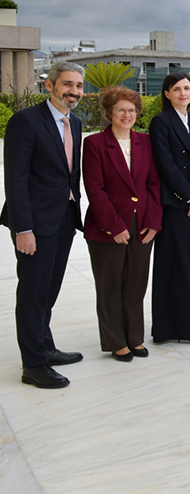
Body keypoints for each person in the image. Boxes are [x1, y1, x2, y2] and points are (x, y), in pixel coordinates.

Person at [1, 62, 86, 388]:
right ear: (48, 85)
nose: (74, 92)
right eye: (67, 84)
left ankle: (45, 346)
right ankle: (33, 365)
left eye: (78, 86)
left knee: (49, 291)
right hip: (34, 224)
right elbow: (16, 179)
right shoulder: (25, 122)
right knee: (33, 294)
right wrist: (23, 229)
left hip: (63, 219)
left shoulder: (74, 123)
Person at [82, 86, 162, 361]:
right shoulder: (94, 144)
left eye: (131, 110)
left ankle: (135, 338)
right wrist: (114, 227)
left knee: (136, 284)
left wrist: (153, 222)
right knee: (110, 286)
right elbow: (95, 189)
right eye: (121, 110)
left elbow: (153, 184)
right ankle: (116, 341)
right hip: (107, 227)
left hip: (141, 225)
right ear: (109, 113)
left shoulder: (145, 141)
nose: (127, 115)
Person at [149, 72, 190, 345]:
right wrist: (188, 196)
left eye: (187, 88)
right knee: (173, 266)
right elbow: (166, 165)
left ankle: (171, 326)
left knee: (188, 265)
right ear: (167, 93)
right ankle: (178, 326)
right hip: (175, 204)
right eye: (177, 89)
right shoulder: (160, 122)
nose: (183, 93)